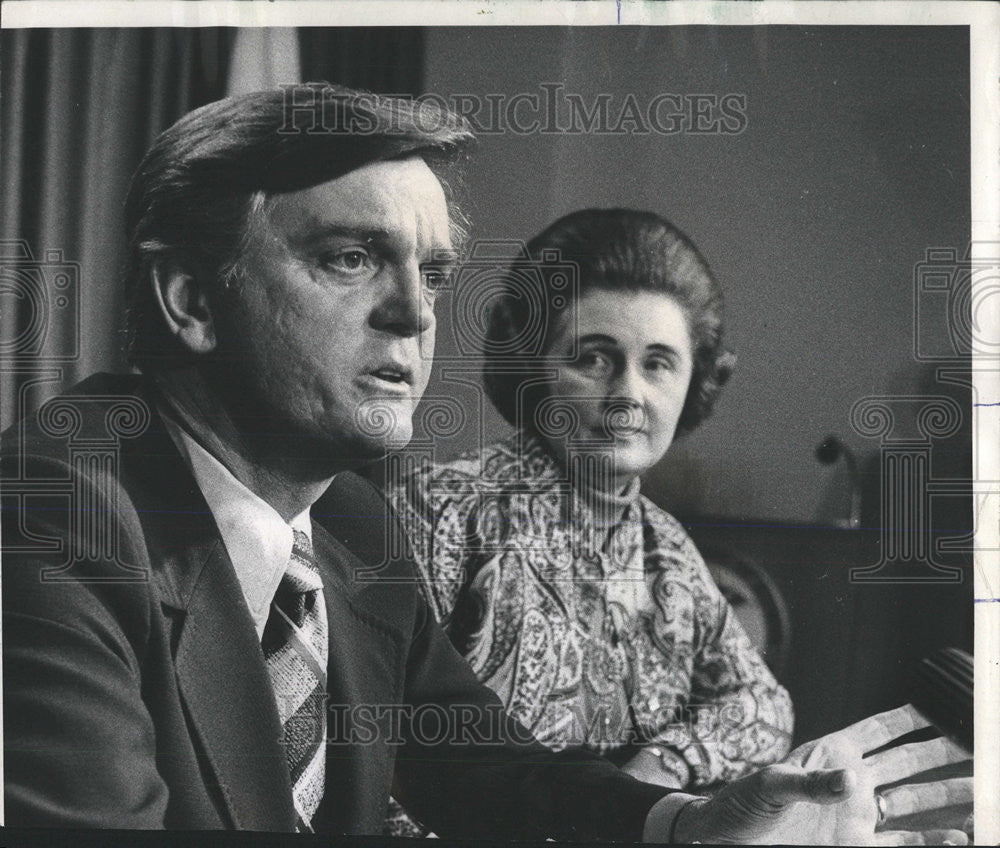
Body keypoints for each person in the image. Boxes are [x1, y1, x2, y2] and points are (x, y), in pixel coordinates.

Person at [1, 84, 971, 844]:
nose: (417, 317)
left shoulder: (344, 522)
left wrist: (686, 821)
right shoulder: (49, 518)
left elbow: (486, 768)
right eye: (350, 258)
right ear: (191, 299)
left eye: (430, 273)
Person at [383, 210, 792, 839]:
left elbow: (761, 706)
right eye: (595, 360)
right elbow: (376, 754)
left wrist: (654, 769)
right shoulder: (444, 510)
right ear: (535, 367)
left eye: (658, 364)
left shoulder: (669, 550)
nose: (628, 395)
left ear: (696, 384)